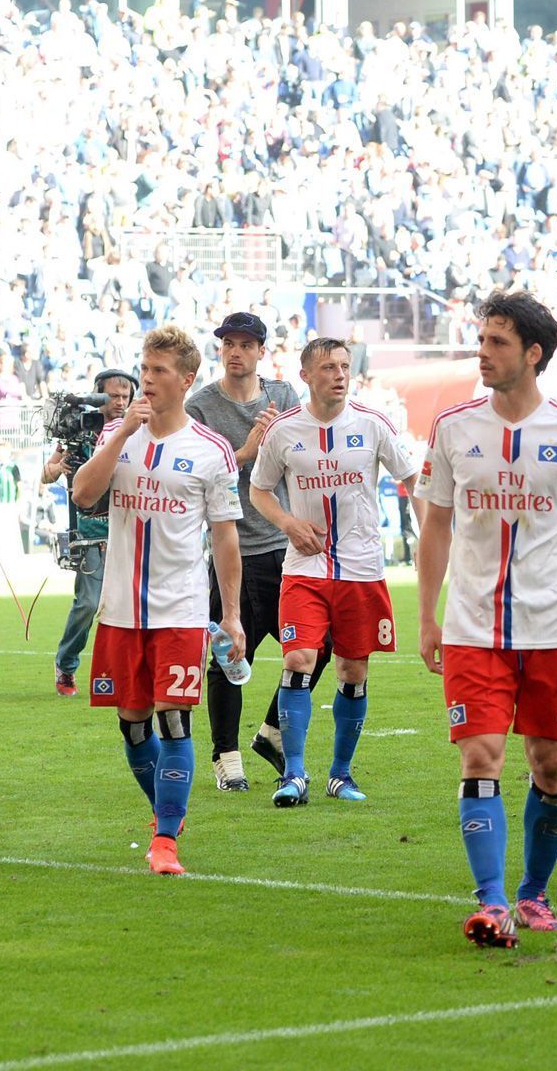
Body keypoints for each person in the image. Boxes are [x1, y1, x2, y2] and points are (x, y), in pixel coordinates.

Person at [415, 290, 557, 948]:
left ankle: (533, 891)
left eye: (498, 342)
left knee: (549, 764)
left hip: (552, 627)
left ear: (533, 354)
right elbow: (436, 526)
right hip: (474, 627)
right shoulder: (453, 427)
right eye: (482, 339)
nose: (484, 351)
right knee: (480, 756)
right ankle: (493, 903)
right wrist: (427, 616)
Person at [71, 326, 249, 876]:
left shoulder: (212, 450)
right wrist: (123, 431)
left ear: (186, 380)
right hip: (120, 611)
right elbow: (82, 494)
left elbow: (224, 536)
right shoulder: (118, 437)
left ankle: (166, 840)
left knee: (174, 723)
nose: (146, 380)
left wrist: (233, 615)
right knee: (133, 725)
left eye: (159, 371)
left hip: (179, 610)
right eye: (143, 369)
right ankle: (164, 814)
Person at [250, 337, 417, 807]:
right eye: (328, 367)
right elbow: (259, 490)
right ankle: (296, 773)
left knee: (352, 669)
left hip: (362, 569)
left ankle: (340, 775)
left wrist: (429, 539)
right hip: (304, 567)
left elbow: (411, 478)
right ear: (306, 375)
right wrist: (287, 522)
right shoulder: (283, 431)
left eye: (344, 366)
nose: (339, 375)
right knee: (299, 660)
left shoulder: (372, 424)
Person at [186, 311, 326, 792]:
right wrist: (246, 450)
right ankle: (226, 758)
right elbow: (202, 472)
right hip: (233, 550)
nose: (237, 351)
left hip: (285, 548)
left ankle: (270, 733)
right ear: (220, 349)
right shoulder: (200, 406)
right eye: (230, 343)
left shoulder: (283, 396)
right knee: (230, 655)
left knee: (317, 645)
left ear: (262, 351)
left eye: (247, 344)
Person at [43, 368, 134, 696]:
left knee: (128, 604)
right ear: (98, 397)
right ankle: (66, 664)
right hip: (89, 531)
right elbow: (46, 474)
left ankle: (120, 671)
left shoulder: (138, 430)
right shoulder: (80, 432)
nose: (120, 403)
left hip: (128, 530)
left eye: (125, 396)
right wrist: (58, 467)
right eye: (113, 396)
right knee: (88, 603)